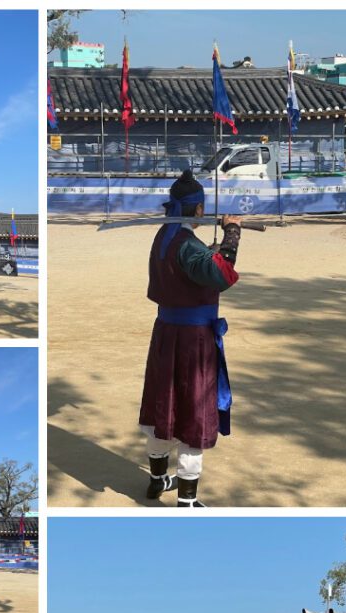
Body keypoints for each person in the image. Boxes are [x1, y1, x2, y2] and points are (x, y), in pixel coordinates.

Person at [138, 169, 244, 508]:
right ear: (198, 210)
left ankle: (157, 479)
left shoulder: (164, 236)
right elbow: (221, 274)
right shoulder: (186, 245)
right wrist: (232, 234)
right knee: (193, 410)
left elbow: (191, 267)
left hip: (166, 333)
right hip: (192, 339)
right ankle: (186, 498)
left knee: (162, 404)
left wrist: (208, 250)